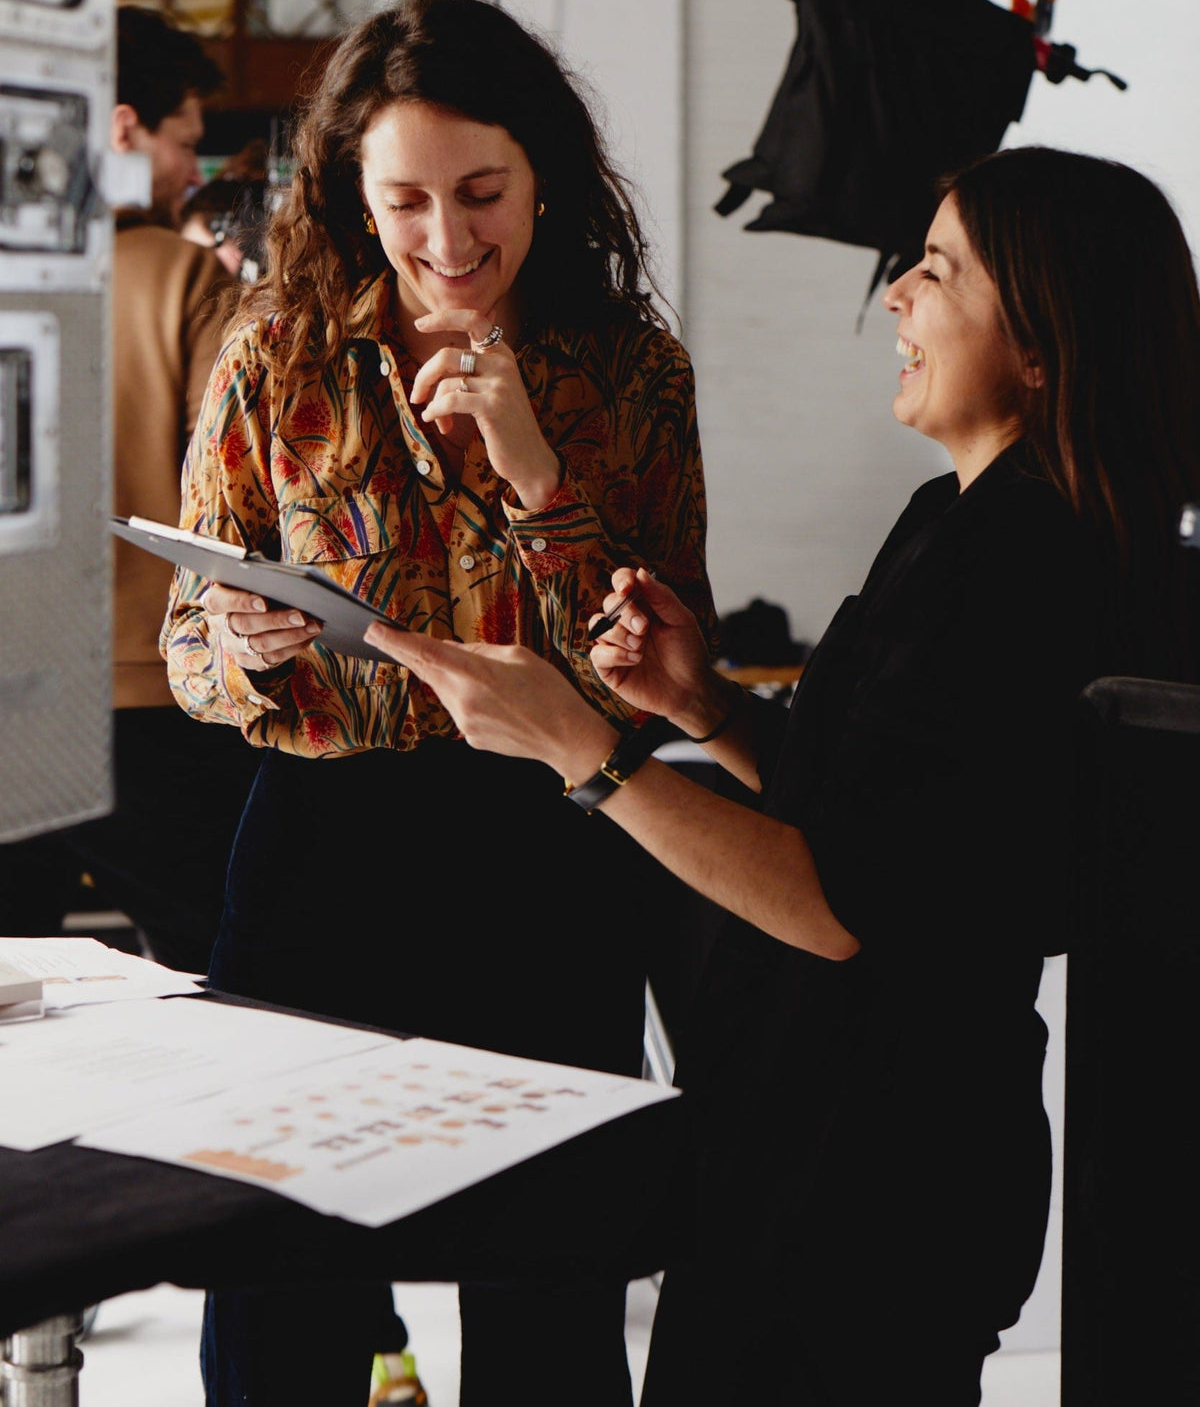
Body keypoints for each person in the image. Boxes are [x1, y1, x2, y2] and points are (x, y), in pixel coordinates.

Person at [365, 147, 1200, 1405]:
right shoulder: (957, 520)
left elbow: (842, 903)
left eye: (939, 271)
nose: (896, 294)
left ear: (1039, 347)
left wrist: (582, 749)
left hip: (875, 1174)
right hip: (821, 1133)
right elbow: (870, 802)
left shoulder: (1025, 564)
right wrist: (703, 704)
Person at [161, 0, 715, 1406]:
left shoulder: (632, 372)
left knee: (549, 1300)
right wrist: (244, 644)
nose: (448, 239)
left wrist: (536, 475)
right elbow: (187, 651)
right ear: (352, 194)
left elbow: (665, 670)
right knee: (280, 1289)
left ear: (545, 179)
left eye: (483, 193)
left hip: (552, 849)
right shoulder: (273, 355)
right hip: (316, 852)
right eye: (406, 199)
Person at [0, 7, 259, 973]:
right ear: (120, 127)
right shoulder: (183, 278)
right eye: (183, 142)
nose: (192, 171)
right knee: (224, 971)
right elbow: (236, 486)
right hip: (147, 702)